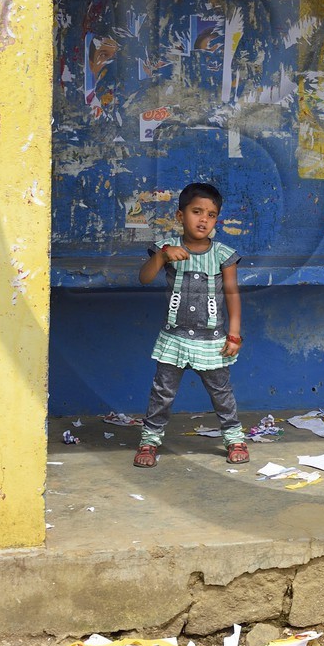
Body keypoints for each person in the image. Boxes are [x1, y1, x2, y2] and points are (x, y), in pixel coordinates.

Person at [134, 182, 248, 467]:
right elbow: (144, 278)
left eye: (211, 215)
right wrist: (162, 256)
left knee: (221, 392)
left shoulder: (224, 254)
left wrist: (234, 334)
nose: (203, 220)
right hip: (174, 338)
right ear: (179, 215)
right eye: (197, 212)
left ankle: (234, 437)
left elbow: (232, 294)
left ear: (216, 221)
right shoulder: (167, 248)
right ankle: (149, 441)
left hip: (212, 340)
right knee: (162, 392)